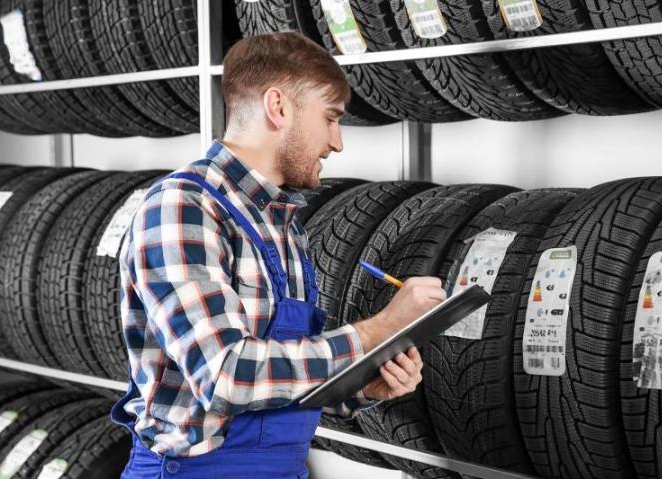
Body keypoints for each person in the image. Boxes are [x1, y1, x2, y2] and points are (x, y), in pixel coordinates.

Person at [111, 31, 446, 478]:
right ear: (278, 106)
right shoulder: (182, 208)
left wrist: (361, 385)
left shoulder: (284, 226)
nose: (337, 142)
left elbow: (277, 381)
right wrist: (380, 329)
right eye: (330, 118)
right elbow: (226, 377)